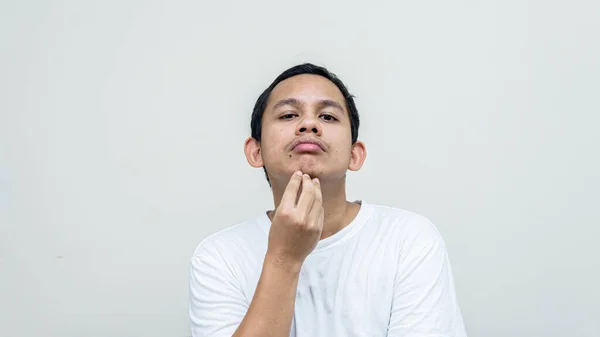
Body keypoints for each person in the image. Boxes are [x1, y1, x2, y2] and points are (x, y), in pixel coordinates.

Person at [189, 63, 467, 337]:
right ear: (255, 151)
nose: (308, 124)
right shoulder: (219, 257)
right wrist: (284, 259)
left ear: (354, 155)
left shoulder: (409, 239)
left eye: (328, 117)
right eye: (288, 115)